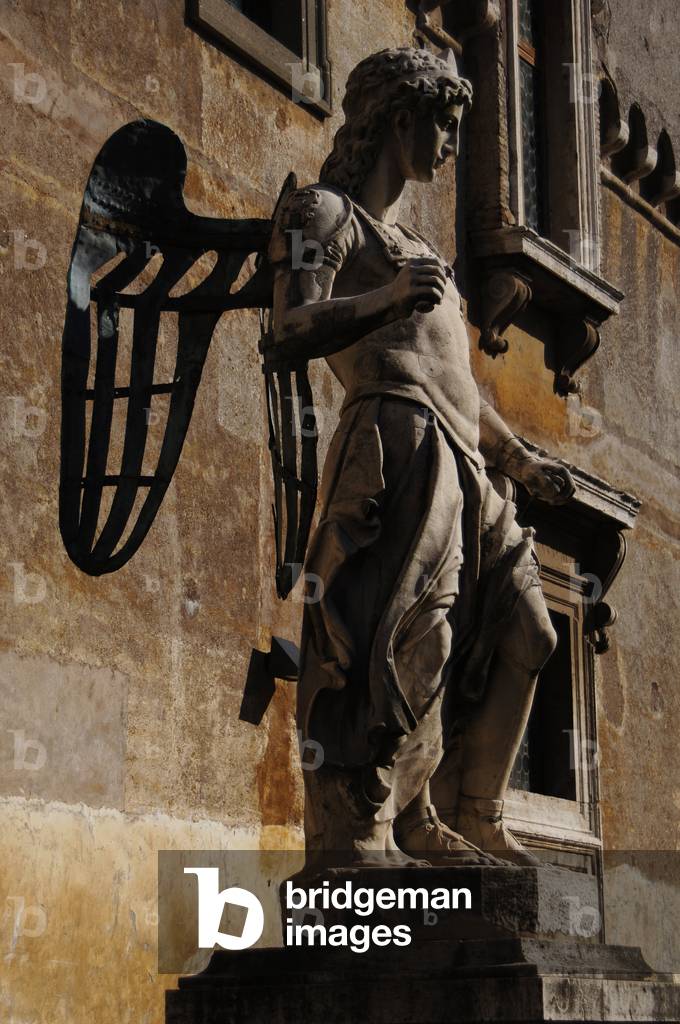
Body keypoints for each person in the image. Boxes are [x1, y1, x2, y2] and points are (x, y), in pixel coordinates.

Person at [266, 47, 575, 868]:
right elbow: (287, 329)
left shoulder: (414, 242)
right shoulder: (324, 216)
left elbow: (462, 385)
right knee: (400, 646)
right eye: (442, 122)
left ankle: (469, 811)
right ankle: (365, 837)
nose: (450, 142)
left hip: (465, 464)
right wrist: (388, 297)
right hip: (393, 451)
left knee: (532, 632)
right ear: (399, 117)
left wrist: (519, 458)